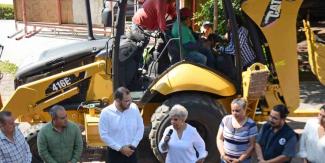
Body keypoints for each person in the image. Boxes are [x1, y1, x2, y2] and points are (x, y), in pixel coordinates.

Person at [99, 87, 144, 163]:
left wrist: (133, 145)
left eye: (130, 100)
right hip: (114, 154)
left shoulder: (134, 108)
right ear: (117, 100)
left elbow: (140, 127)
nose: (129, 103)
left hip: (132, 152)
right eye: (126, 101)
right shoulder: (106, 113)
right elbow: (104, 135)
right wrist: (120, 148)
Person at [217, 98, 257, 163]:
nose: (234, 113)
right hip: (225, 160)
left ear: (244, 109)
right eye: (232, 110)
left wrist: (239, 160)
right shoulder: (226, 119)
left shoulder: (251, 125)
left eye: (237, 111)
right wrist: (223, 155)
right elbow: (219, 139)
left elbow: (252, 146)